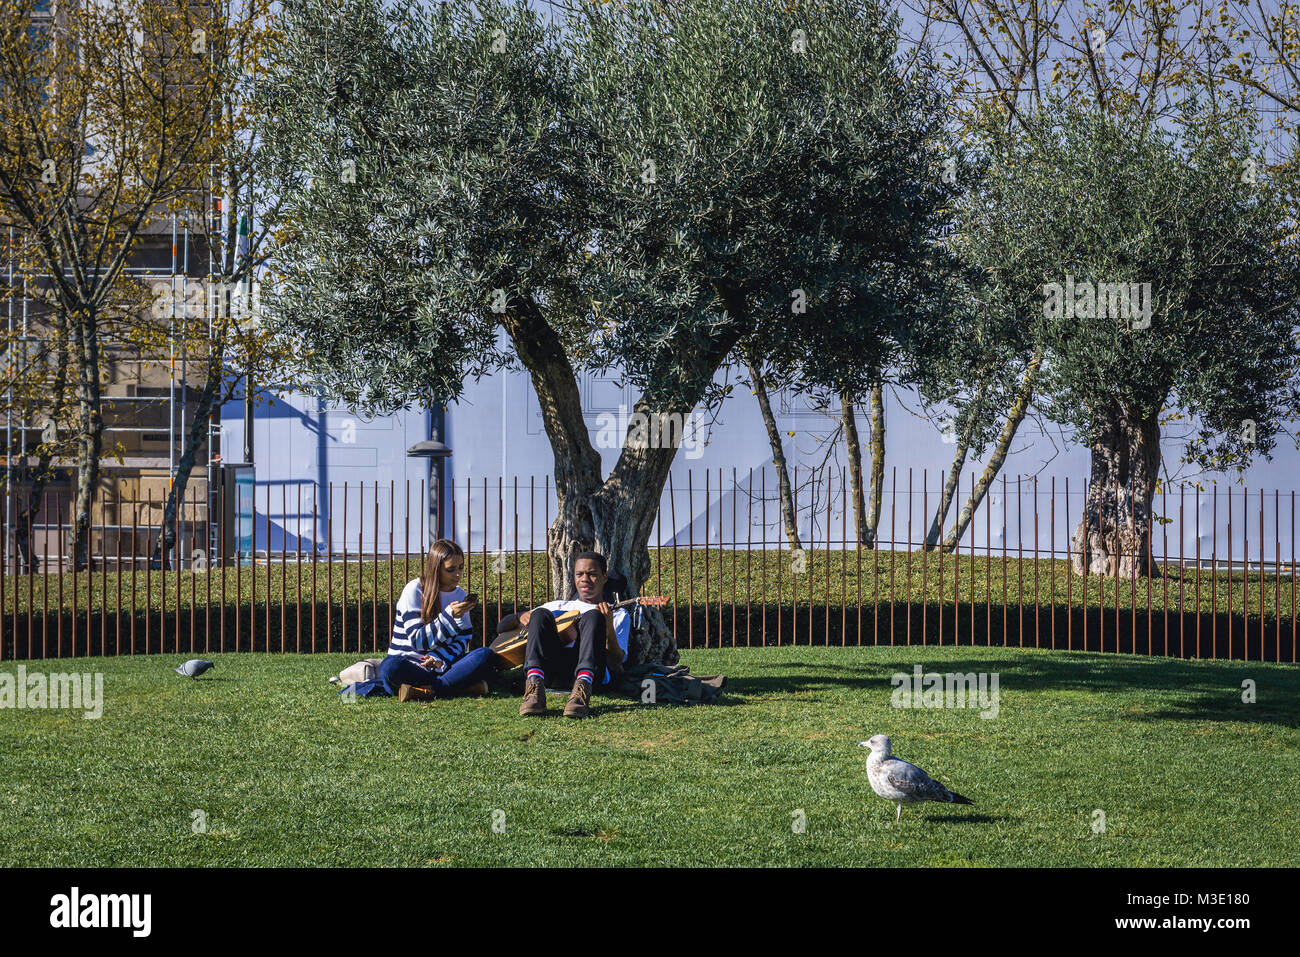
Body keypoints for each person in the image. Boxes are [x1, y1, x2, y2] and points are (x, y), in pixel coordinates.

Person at [506, 552, 630, 719]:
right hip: (552, 674)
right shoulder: (558, 606)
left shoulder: (616, 613)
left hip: (591, 676)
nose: (584, 579)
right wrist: (518, 617)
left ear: (604, 577)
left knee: (593, 616)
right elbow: (502, 626)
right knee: (540, 614)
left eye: (592, 574)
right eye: (579, 574)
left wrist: (608, 626)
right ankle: (534, 688)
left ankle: (581, 692)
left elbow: (617, 660)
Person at [380, 538, 504, 702]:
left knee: (485, 655)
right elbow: (418, 641)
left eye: (460, 567)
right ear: (436, 569)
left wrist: (439, 659)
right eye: (450, 569)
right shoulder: (414, 590)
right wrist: (449, 616)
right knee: (390, 667)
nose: (458, 574)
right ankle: (458, 687)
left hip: (442, 666)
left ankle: (428, 690)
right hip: (410, 664)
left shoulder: (460, 594)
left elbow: (462, 640)